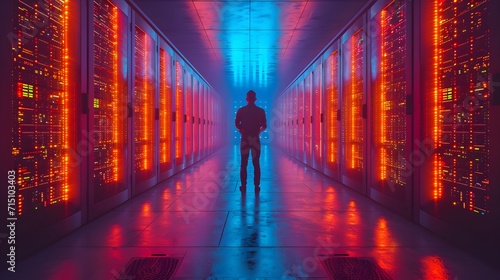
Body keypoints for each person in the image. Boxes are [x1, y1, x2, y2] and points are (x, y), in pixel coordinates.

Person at [235, 90, 267, 192]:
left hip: (245, 139)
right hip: (255, 139)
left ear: (246, 99)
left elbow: (236, 123)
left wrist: (242, 130)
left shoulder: (241, 110)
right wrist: (258, 132)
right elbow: (264, 125)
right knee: (256, 163)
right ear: (255, 99)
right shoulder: (261, 111)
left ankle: (243, 186)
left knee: (243, 163)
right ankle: (256, 186)